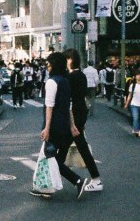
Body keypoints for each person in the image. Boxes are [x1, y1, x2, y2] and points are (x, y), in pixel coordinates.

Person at [32, 52, 89, 198]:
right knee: (50, 157)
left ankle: (76, 181)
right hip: (63, 125)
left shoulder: (51, 82)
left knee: (49, 157)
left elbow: (49, 106)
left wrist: (46, 128)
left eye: (49, 64)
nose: (47, 67)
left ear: (54, 65)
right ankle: (46, 187)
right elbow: (68, 106)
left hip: (54, 126)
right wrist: (72, 125)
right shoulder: (65, 81)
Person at [66, 49, 103, 192]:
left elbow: (69, 99)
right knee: (80, 146)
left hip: (73, 115)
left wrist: (71, 122)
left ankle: (88, 180)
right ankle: (94, 179)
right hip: (81, 112)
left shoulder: (71, 77)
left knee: (63, 149)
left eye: (66, 59)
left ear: (70, 59)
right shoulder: (81, 75)